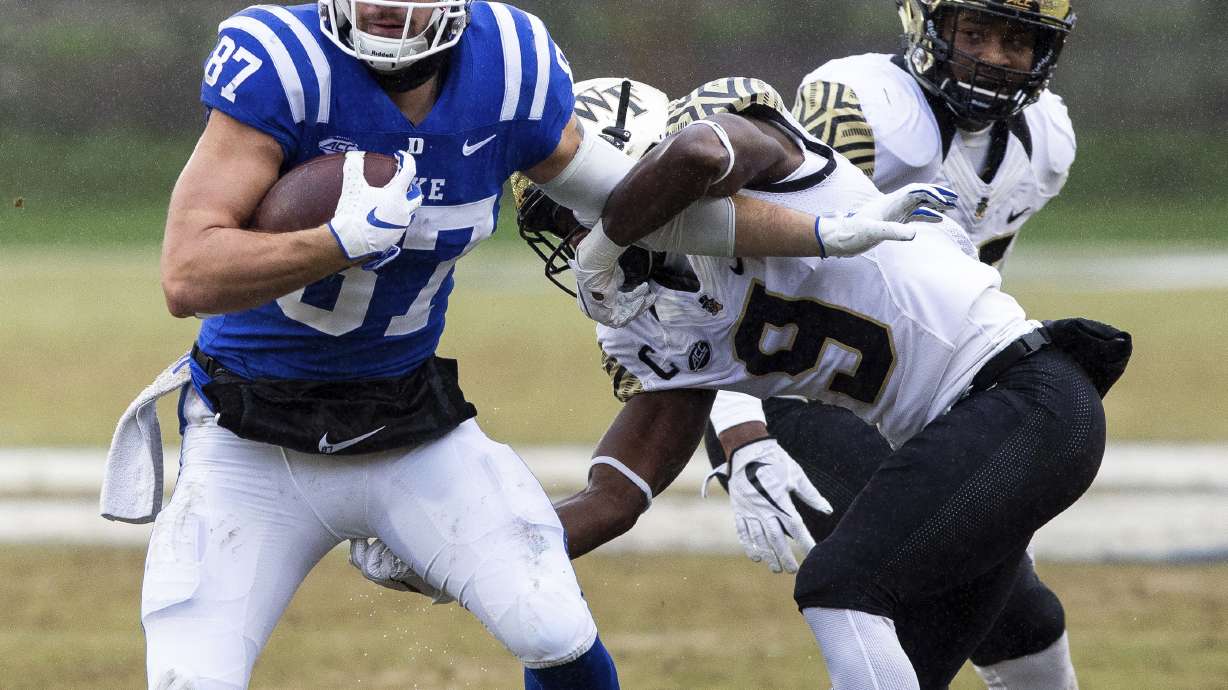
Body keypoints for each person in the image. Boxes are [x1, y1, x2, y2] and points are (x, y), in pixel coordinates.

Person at [127, 1, 936, 685]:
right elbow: (187, 274)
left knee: (551, 624)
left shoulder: (507, 64)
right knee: (188, 676)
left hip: (408, 430)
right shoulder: (281, 61)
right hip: (248, 437)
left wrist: (824, 232)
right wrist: (335, 241)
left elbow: (642, 207)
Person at [354, 72, 1128, 688]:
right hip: (979, 431)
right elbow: (615, 498)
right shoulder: (646, 323)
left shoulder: (756, 162)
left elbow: (696, 156)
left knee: (841, 587)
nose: (573, 239)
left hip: (1028, 395)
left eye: (575, 211)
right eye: (559, 227)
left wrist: (608, 239)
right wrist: (466, 559)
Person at [704, 1, 1085, 686]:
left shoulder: (1046, 139)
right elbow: (744, 275)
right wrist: (740, 430)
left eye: (1017, 41)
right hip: (796, 391)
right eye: (974, 33)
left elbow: (967, 279)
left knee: (1017, 616)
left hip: (922, 388)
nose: (995, 57)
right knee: (893, 594)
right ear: (927, 27)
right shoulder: (864, 108)